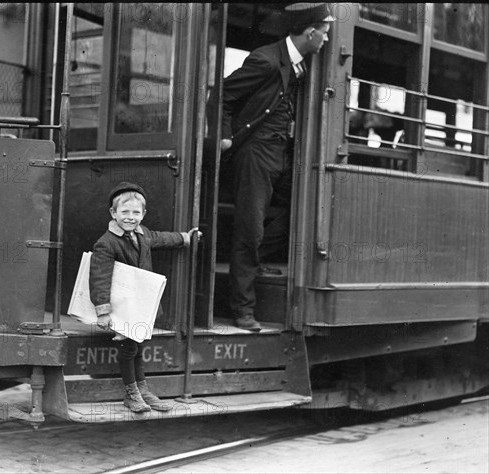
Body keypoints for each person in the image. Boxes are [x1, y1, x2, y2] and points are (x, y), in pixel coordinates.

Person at [221, 3, 335, 331]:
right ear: (310, 32)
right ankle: (243, 309)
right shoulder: (266, 60)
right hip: (255, 156)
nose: (327, 38)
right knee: (250, 230)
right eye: (325, 31)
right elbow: (222, 95)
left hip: (279, 157)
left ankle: (256, 266)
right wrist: (225, 136)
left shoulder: (299, 63)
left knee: (306, 209)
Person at [89, 181, 201, 413]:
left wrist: (184, 238)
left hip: (139, 306)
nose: (130, 217)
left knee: (138, 347)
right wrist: (103, 311)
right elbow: (99, 277)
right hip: (121, 308)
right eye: (125, 212)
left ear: (143, 214)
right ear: (113, 213)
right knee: (129, 348)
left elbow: (162, 238)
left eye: (136, 212)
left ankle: (142, 390)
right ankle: (132, 393)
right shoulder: (106, 243)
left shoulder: (144, 235)